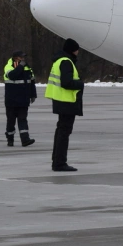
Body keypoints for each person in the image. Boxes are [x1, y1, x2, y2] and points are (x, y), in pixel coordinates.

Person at [46, 38, 84, 172]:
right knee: (64, 133)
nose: (78, 52)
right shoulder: (66, 62)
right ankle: (60, 163)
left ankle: (56, 161)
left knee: (61, 131)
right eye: (77, 49)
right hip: (66, 102)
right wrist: (80, 84)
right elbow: (66, 83)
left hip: (61, 101)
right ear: (72, 50)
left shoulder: (59, 60)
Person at [2, 50, 37, 147]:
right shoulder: (9, 66)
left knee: (23, 119)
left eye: (23, 57)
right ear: (15, 58)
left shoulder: (27, 67)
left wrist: (33, 94)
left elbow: (32, 81)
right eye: (21, 57)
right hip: (11, 99)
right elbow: (12, 75)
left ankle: (25, 140)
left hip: (23, 99)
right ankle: (10, 139)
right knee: (11, 120)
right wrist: (20, 66)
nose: (23, 59)